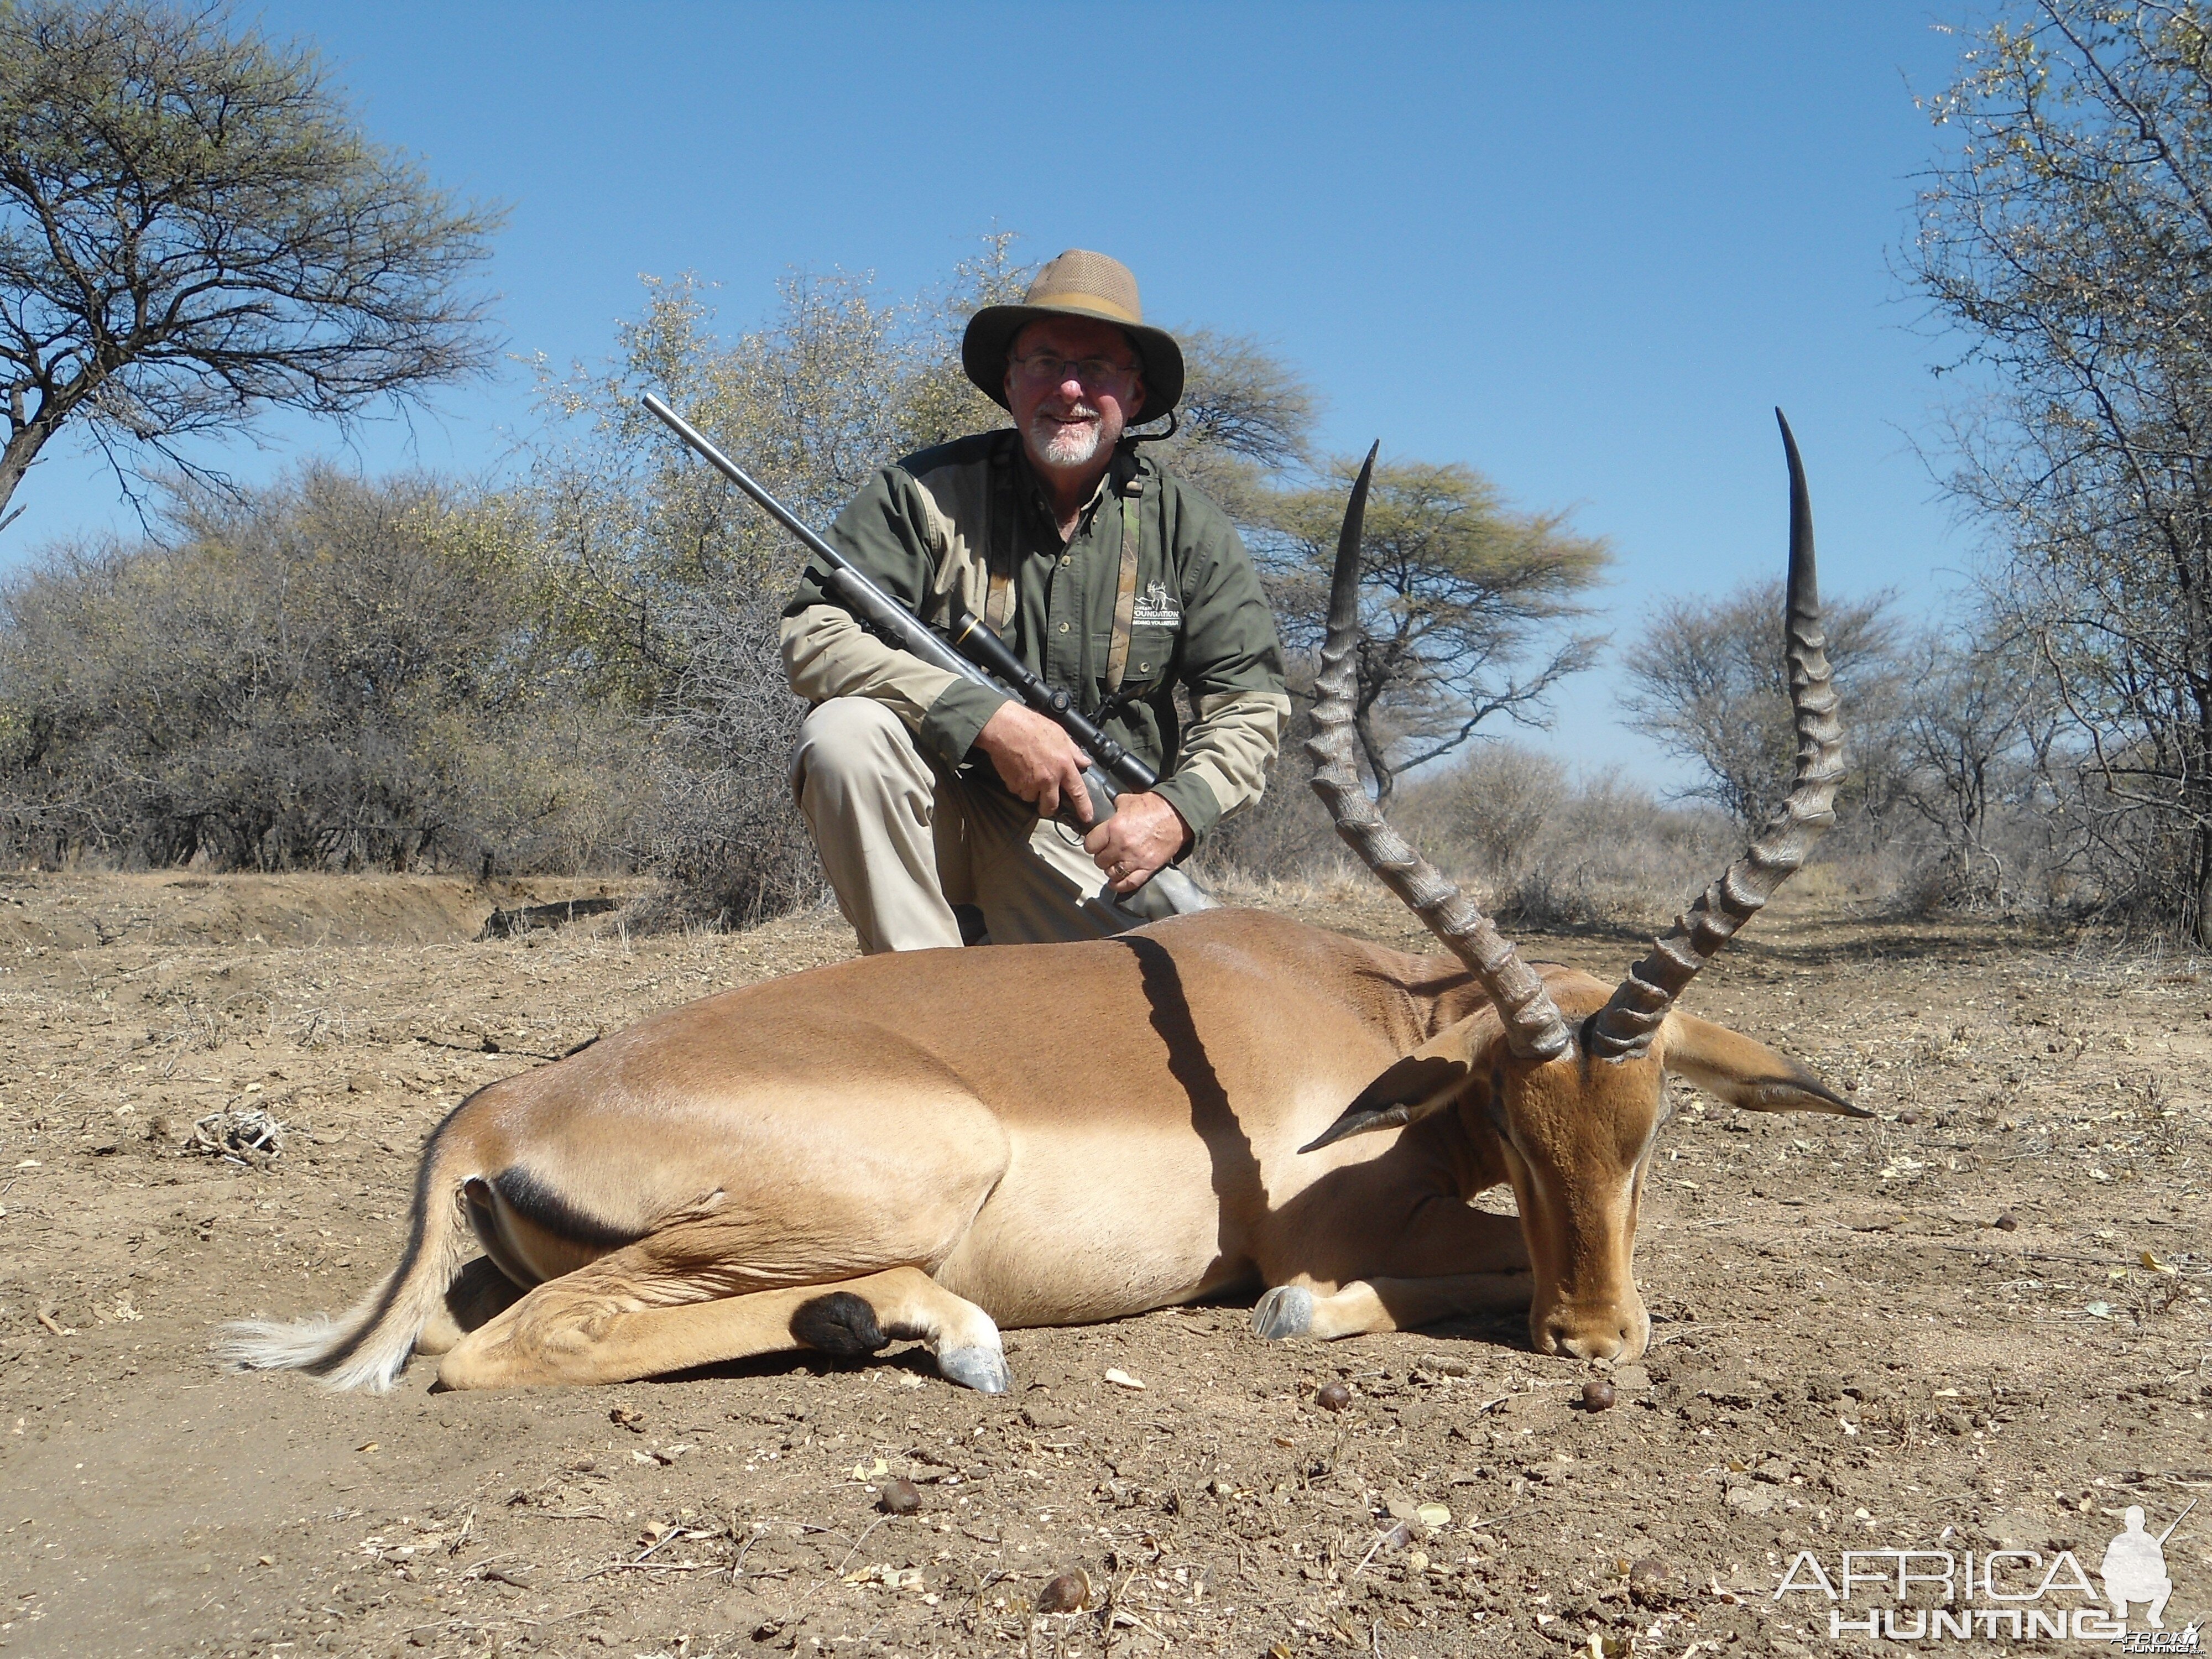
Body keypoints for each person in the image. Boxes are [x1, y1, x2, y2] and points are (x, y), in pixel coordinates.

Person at [781, 249, 1288, 953]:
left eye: (1099, 368)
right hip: (946, 815)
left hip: (1090, 844)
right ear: (1011, 382)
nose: (1070, 388)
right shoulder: (918, 494)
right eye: (1046, 361)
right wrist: (985, 719)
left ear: (1135, 396)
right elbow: (816, 633)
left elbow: (1249, 705)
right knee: (844, 735)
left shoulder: (1191, 529)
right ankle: (930, 1008)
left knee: (1209, 994)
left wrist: (1174, 813)